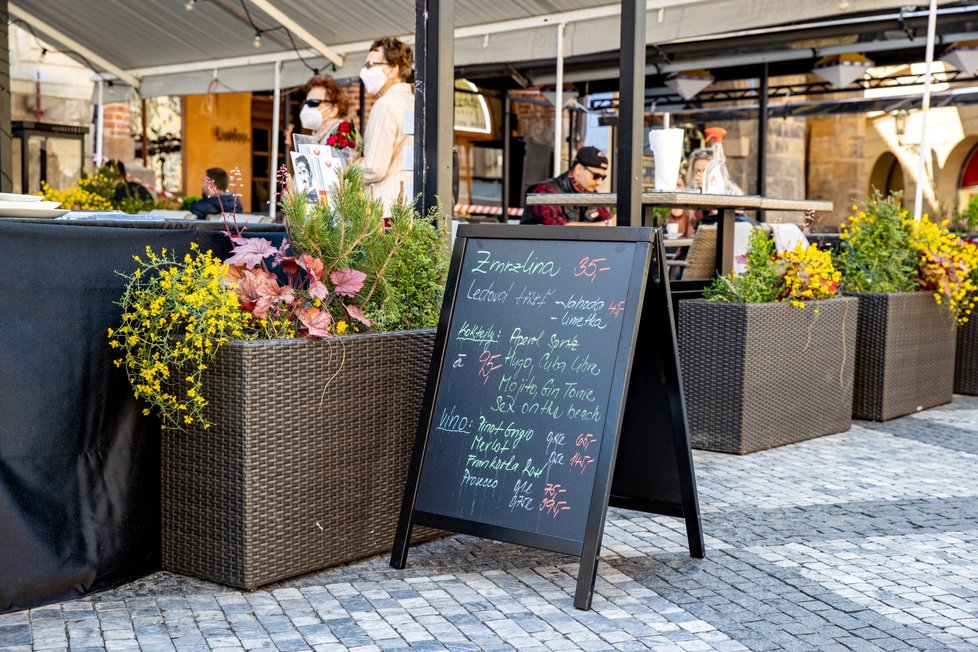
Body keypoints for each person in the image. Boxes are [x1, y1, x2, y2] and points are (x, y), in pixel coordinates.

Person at [360, 36, 414, 215]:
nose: (364, 71)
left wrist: (342, 171)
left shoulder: (385, 105)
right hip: (408, 206)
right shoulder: (413, 102)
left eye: (371, 65)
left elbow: (373, 168)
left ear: (393, 69)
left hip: (383, 208)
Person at [520, 146, 616, 226]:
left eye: (603, 177)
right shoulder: (545, 191)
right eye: (596, 176)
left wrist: (610, 222)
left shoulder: (593, 195)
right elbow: (559, 229)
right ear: (578, 169)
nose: (600, 182)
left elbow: (609, 221)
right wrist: (607, 224)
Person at [297, 74, 360, 161]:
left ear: (333, 110)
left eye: (314, 102)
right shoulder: (319, 135)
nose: (307, 107)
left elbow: (343, 169)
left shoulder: (344, 131)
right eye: (306, 103)